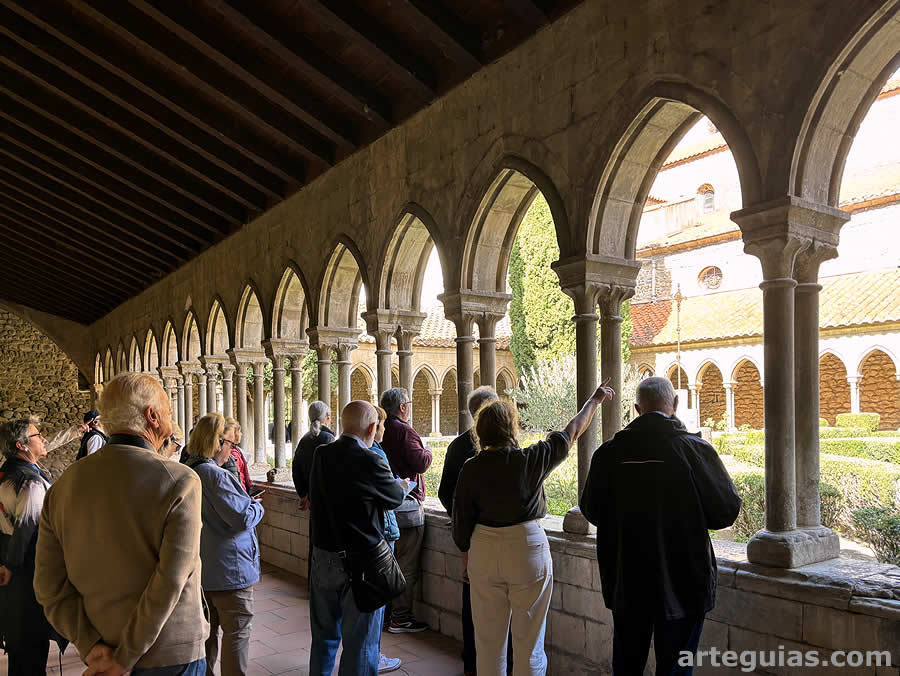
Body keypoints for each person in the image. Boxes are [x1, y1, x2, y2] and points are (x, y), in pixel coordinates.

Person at [34, 372, 209, 675]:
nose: (170, 414)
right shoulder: (180, 481)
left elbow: (48, 585)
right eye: (167, 407)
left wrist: (90, 644)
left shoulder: (63, 486)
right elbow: (170, 579)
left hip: (101, 647)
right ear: (152, 416)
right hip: (169, 654)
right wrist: (125, 656)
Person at [580, 377, 741, 676]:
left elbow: (592, 510)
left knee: (627, 667)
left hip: (627, 582)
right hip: (684, 583)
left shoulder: (609, 454)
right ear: (675, 405)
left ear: (637, 409)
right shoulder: (695, 451)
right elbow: (726, 512)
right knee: (676, 670)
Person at [452, 380, 614, 676]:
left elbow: (460, 523)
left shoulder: (471, 468)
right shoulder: (530, 460)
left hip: (484, 552)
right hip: (526, 549)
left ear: (480, 431)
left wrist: (467, 556)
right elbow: (573, 431)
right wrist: (595, 399)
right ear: (512, 428)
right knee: (529, 642)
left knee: (487, 644)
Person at [308, 400, 410, 676]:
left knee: (324, 635)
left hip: (324, 555)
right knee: (360, 642)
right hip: (361, 563)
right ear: (373, 427)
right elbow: (395, 497)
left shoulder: (322, 454)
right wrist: (400, 484)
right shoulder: (370, 459)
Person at [0, 416, 83, 675]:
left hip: (10, 564)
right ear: (21, 445)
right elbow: (28, 529)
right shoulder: (30, 481)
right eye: (37, 435)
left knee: (19, 644)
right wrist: (11, 566)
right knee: (30, 645)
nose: (44, 438)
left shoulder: (6, 473)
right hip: (26, 571)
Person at [183, 413, 264, 676]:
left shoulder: (189, 471)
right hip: (230, 569)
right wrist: (257, 507)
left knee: (208, 634)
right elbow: (242, 517)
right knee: (237, 632)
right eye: (230, 443)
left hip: (204, 567)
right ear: (217, 442)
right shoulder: (215, 475)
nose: (232, 449)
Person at [438, 385, 504, 676]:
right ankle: (504, 663)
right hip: (501, 539)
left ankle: (472, 663)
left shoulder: (457, 446)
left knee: (472, 600)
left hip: (469, 538)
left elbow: (443, 492)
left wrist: (461, 518)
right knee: (502, 604)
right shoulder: (507, 449)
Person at [379, 387, 432, 633]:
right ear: (402, 407)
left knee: (388, 564)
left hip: (386, 508)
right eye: (408, 403)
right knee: (406, 566)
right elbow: (420, 462)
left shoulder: (380, 431)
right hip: (407, 509)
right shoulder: (404, 430)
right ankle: (400, 618)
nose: (409, 406)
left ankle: (387, 614)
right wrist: (428, 451)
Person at [369, 406, 410, 674]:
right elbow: (389, 497)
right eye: (382, 424)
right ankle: (373, 656)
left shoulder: (340, 454)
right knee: (377, 598)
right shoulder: (374, 455)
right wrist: (403, 488)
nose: (385, 429)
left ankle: (369, 653)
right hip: (381, 532)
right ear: (373, 427)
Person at [292, 401, 334, 510]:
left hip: (310, 498)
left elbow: (296, 469)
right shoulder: (328, 438)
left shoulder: (304, 439)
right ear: (327, 417)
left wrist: (304, 494)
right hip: (323, 498)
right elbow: (328, 471)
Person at [221, 418, 251, 493]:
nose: (241, 434)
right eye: (239, 431)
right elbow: (237, 479)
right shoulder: (233, 453)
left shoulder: (235, 451)